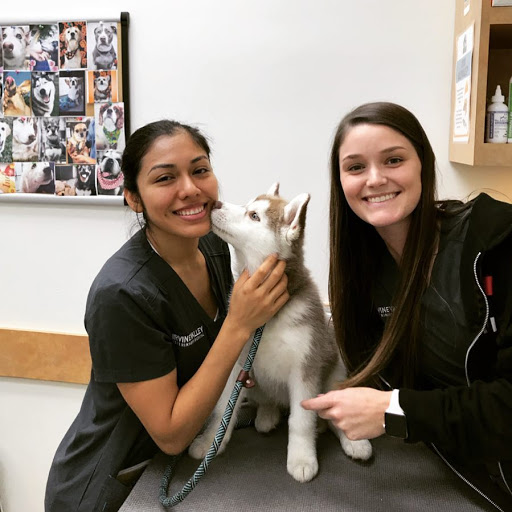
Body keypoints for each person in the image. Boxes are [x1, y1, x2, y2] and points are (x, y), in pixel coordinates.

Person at [45, 120, 289, 512]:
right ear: (134, 198)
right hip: (113, 485)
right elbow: (171, 434)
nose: (190, 189)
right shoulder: (122, 294)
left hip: (174, 467)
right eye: (165, 178)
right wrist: (239, 324)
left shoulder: (212, 245)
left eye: (200, 170)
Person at [302, 102, 512, 509]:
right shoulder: (364, 269)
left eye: (393, 160)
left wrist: (395, 411)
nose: (375, 179)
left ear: (423, 164)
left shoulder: (495, 240)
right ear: (340, 182)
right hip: (456, 469)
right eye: (355, 167)